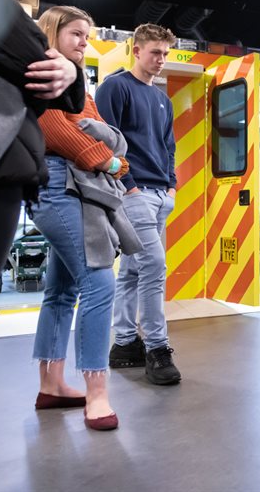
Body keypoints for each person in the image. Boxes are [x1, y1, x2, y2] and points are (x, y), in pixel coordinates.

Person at [30, 6, 142, 431]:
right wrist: (110, 162)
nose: (83, 42)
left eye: (86, 35)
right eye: (75, 33)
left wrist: (107, 150)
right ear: (51, 32)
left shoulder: (77, 82)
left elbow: (101, 128)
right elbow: (57, 130)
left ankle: (52, 384)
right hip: (59, 184)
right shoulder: (43, 70)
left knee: (60, 289)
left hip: (74, 185)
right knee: (98, 281)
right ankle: (97, 394)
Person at [95, 23, 182, 385]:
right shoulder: (115, 88)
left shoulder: (163, 99)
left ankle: (125, 344)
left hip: (161, 195)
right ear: (137, 51)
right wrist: (128, 186)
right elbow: (105, 140)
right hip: (134, 194)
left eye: (165, 54)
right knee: (154, 267)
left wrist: (173, 186)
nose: (161, 60)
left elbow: (169, 146)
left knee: (132, 271)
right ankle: (157, 350)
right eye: (155, 53)